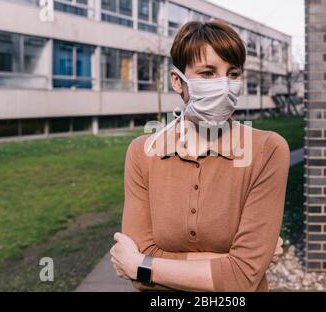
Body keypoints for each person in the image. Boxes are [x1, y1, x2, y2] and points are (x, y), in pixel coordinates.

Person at [110, 20, 290, 292]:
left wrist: (143, 266)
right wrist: (228, 264)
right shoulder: (143, 152)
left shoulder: (267, 150)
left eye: (232, 74)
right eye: (207, 74)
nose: (224, 86)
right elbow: (241, 270)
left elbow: (241, 277)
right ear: (177, 81)